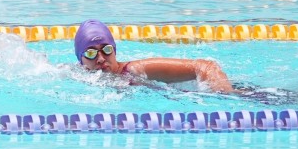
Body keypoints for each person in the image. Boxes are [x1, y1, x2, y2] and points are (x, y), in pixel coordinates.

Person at [74, 19, 235, 93]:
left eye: (106, 49)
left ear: (115, 51)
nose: (101, 58)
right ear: (81, 61)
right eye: (91, 53)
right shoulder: (78, 77)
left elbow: (206, 66)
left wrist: (225, 96)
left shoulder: (135, 70)